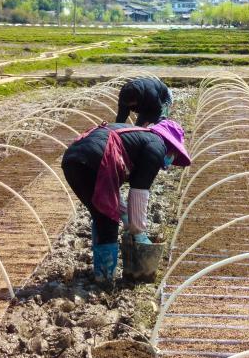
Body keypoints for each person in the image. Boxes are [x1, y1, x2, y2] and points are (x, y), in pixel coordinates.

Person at [61, 119, 191, 282]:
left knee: (101, 213)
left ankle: (101, 275)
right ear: (171, 146)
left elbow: (112, 194)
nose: (172, 159)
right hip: (93, 159)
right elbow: (139, 192)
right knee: (107, 218)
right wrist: (138, 231)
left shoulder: (139, 138)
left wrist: (125, 216)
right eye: (174, 155)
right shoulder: (157, 147)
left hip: (72, 159)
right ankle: (105, 280)